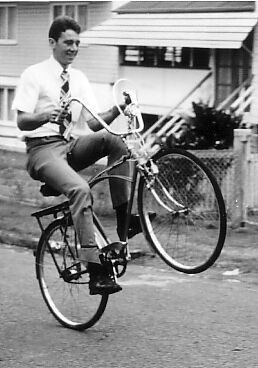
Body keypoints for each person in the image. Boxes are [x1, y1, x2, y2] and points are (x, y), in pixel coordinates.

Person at [12, 16, 141, 296]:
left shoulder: (79, 78)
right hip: (42, 150)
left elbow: (94, 123)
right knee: (81, 190)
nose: (73, 48)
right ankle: (95, 270)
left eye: (77, 43)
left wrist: (120, 107)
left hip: (68, 146)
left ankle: (124, 223)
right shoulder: (33, 74)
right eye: (68, 42)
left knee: (114, 140)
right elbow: (22, 121)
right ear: (53, 43)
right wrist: (43, 115)